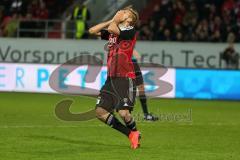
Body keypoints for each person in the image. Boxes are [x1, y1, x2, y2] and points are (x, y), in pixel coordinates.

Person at [88, 6, 141, 149]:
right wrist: (112, 20)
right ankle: (131, 134)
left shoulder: (130, 31)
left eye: (125, 13)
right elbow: (92, 30)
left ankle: (134, 132)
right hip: (111, 79)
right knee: (100, 112)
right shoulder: (113, 31)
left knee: (124, 113)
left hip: (125, 77)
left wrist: (114, 21)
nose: (122, 13)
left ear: (130, 20)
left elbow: (113, 29)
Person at [132, 50, 159, 121]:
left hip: (134, 65)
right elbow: (138, 56)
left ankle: (146, 115)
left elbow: (138, 56)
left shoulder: (128, 44)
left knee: (141, 89)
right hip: (126, 66)